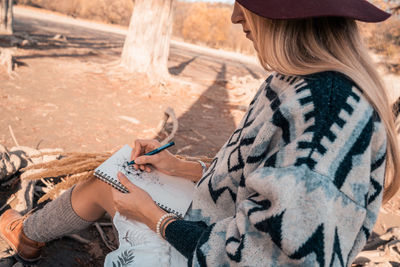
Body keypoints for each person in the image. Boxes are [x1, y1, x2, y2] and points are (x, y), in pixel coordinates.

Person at [1, 0, 400, 266]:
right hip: (218, 222)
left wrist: (152, 216)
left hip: (207, 249)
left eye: (248, 3)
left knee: (109, 186)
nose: (235, 17)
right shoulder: (301, 84)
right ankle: (30, 234)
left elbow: (263, 258)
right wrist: (181, 166)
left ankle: (27, 235)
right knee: (117, 170)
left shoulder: (326, 107)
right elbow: (259, 180)